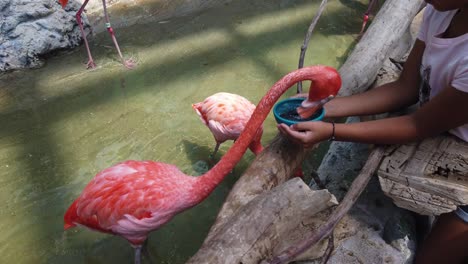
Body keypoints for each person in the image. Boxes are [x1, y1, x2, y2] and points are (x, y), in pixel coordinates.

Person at [277, 1, 468, 263]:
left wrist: (331, 131)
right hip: (444, 135)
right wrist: (324, 107)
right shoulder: (439, 12)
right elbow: (405, 88)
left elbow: (418, 125)